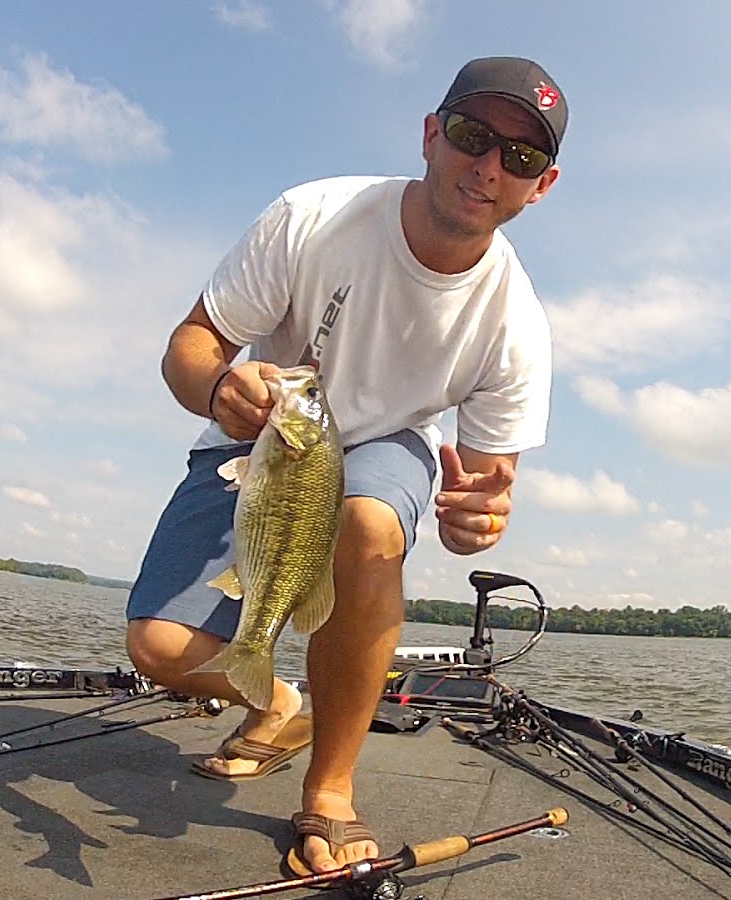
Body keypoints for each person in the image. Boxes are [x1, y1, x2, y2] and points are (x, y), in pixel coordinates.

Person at [123, 56, 566, 876]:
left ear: (541, 186)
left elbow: (481, 495)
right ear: (432, 135)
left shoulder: (517, 326)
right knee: (155, 646)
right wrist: (219, 383)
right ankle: (281, 702)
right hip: (272, 433)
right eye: (473, 135)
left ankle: (329, 790)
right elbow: (190, 349)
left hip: (387, 444)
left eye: (522, 157)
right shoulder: (313, 215)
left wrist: (478, 524)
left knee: (367, 523)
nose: (489, 166)